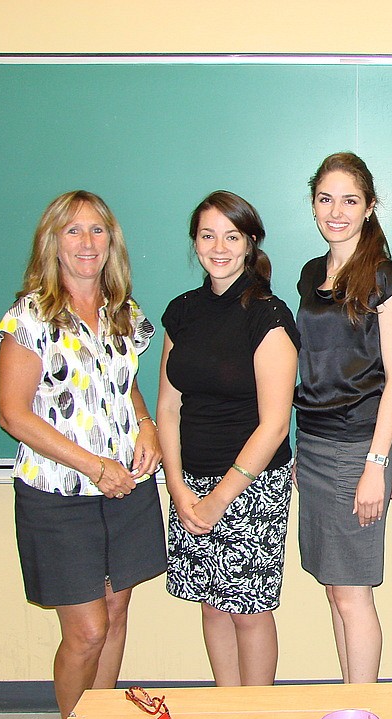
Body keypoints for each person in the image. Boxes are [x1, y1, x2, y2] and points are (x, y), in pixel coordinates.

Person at [0, 190, 165, 719]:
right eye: (73, 231)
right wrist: (95, 467)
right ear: (52, 242)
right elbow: (13, 415)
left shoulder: (122, 312)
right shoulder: (30, 316)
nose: (87, 242)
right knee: (86, 631)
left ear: (112, 241)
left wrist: (147, 424)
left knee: (115, 612)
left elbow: (122, 383)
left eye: (97, 230)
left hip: (124, 490)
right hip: (60, 497)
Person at [157, 190, 299, 686]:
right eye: (207, 235)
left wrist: (220, 497)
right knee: (212, 607)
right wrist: (177, 487)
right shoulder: (182, 312)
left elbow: (275, 424)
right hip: (189, 485)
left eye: (231, 236)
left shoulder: (269, 315)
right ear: (194, 242)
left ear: (249, 242)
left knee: (247, 611)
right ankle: (225, 709)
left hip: (250, 488)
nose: (218, 247)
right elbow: (168, 407)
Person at [295, 153, 392, 683]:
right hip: (314, 447)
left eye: (349, 200)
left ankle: (366, 710)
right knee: (334, 589)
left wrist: (376, 463)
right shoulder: (309, 275)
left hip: (357, 449)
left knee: (353, 592)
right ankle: (348, 705)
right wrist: (300, 449)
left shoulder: (384, 276)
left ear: (369, 208)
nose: (335, 211)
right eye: (325, 199)